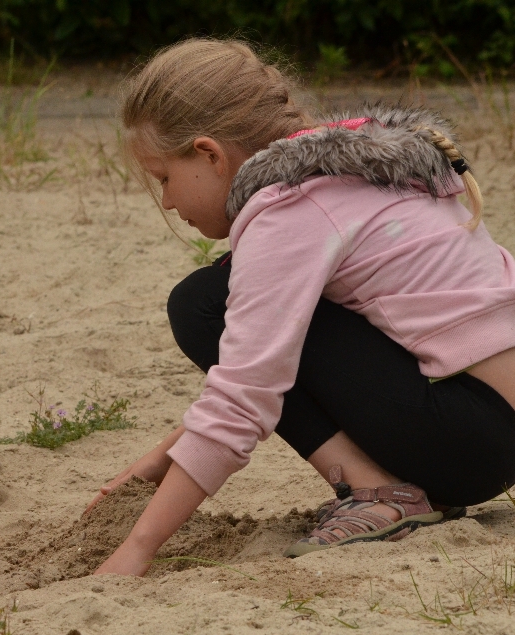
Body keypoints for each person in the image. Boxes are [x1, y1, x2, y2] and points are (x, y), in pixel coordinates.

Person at [87, 38, 515, 576]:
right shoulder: (356, 167)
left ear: (209, 154)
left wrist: (136, 550)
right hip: (487, 428)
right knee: (227, 290)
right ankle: (389, 487)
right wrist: (167, 452)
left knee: (202, 304)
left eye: (163, 178)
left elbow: (247, 393)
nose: (168, 202)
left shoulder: (291, 207)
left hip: (465, 436)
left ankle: (379, 493)